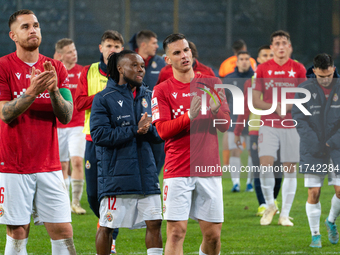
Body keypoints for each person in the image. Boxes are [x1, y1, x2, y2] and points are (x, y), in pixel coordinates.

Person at [0, 9, 76, 254]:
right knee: (18, 232)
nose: (33, 30)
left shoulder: (56, 68)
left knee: (64, 232)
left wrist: (53, 90)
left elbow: (66, 115)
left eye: (36, 25)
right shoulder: (3, 67)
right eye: (25, 27)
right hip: (13, 165)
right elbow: (5, 113)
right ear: (13, 35)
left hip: (49, 165)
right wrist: (32, 91)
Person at [152, 33, 230, 255]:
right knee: (176, 232)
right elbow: (162, 131)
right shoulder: (162, 90)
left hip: (208, 168)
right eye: (177, 53)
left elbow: (225, 125)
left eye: (186, 50)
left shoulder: (213, 84)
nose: (184, 55)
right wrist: (189, 116)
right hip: (177, 169)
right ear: (167, 60)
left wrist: (215, 110)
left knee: (213, 236)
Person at [90, 50, 163, 255]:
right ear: (120, 68)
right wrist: (134, 130)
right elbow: (100, 135)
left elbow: (159, 134)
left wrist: (150, 130)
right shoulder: (103, 98)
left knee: (155, 223)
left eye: (142, 65)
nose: (141, 69)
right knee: (107, 226)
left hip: (146, 174)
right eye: (135, 65)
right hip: (116, 176)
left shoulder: (149, 96)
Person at [74, 29, 124, 254]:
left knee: (113, 193)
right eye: (109, 46)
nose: (112, 50)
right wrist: (105, 95)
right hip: (93, 139)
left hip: (119, 141)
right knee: (93, 196)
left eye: (117, 46)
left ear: (121, 50)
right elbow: (79, 103)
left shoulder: (127, 72)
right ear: (101, 48)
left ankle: (110, 236)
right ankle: (106, 221)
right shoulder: (88, 71)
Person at [253, 30, 306, 226]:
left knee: (290, 169)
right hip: (268, 124)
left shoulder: (299, 69)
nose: (281, 46)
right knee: (265, 165)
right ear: (272, 47)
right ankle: (270, 206)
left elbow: (305, 98)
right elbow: (255, 100)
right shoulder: (262, 69)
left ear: (289, 47)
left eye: (284, 42)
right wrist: (275, 106)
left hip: (292, 125)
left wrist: (287, 106)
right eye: (277, 43)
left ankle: (285, 214)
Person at [292, 53, 340, 247]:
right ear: (314, 71)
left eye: (328, 74)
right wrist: (315, 144)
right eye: (321, 76)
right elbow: (299, 119)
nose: (326, 79)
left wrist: (332, 142)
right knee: (314, 193)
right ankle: (315, 235)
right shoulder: (304, 89)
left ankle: (331, 221)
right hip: (312, 149)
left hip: (337, 148)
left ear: (334, 69)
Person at [233, 45, 282, 216]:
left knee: (278, 169)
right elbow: (245, 109)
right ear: (259, 59)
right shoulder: (251, 82)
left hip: (279, 130)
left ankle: (272, 200)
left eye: (271, 54)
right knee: (259, 168)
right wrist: (238, 131)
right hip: (256, 129)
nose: (268, 57)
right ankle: (263, 204)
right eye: (264, 55)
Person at [55, 38, 86, 215]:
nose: (73, 54)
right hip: (59, 125)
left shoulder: (82, 72)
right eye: (69, 52)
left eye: (74, 50)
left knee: (76, 161)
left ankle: (75, 202)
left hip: (77, 125)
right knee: (62, 165)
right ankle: (64, 202)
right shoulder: (54, 72)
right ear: (60, 55)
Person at [128, 30, 166, 175]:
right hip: (134, 118)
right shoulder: (128, 62)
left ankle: (153, 182)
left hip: (156, 118)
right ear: (143, 44)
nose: (157, 46)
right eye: (154, 43)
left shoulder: (161, 63)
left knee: (158, 154)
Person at [223, 51, 254, 192]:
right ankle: (236, 183)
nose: (244, 61)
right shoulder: (229, 79)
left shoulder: (255, 78)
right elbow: (225, 100)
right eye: (241, 59)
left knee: (252, 152)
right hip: (235, 120)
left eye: (247, 59)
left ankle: (249, 183)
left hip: (252, 120)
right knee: (235, 151)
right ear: (237, 62)